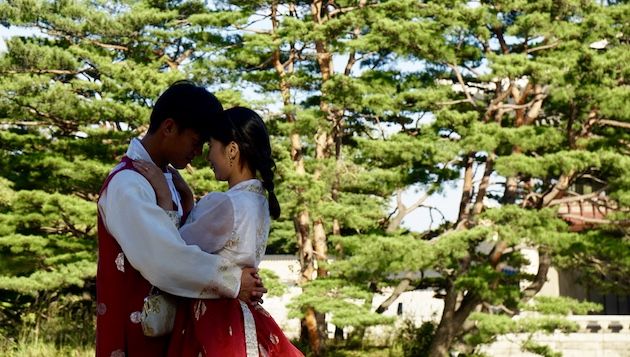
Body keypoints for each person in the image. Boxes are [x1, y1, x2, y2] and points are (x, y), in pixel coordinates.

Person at [96, 82, 267, 357]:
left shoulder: (167, 180)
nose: (198, 154)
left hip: (169, 336)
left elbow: (180, 242)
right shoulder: (128, 183)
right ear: (169, 127)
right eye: (196, 141)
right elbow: (164, 258)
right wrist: (232, 279)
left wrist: (183, 202)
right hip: (137, 339)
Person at [133, 106, 304, 356]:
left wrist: (164, 197)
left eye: (211, 145)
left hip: (213, 320)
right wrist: (189, 200)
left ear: (232, 149)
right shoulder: (258, 202)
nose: (207, 156)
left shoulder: (226, 203)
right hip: (243, 316)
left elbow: (172, 251)